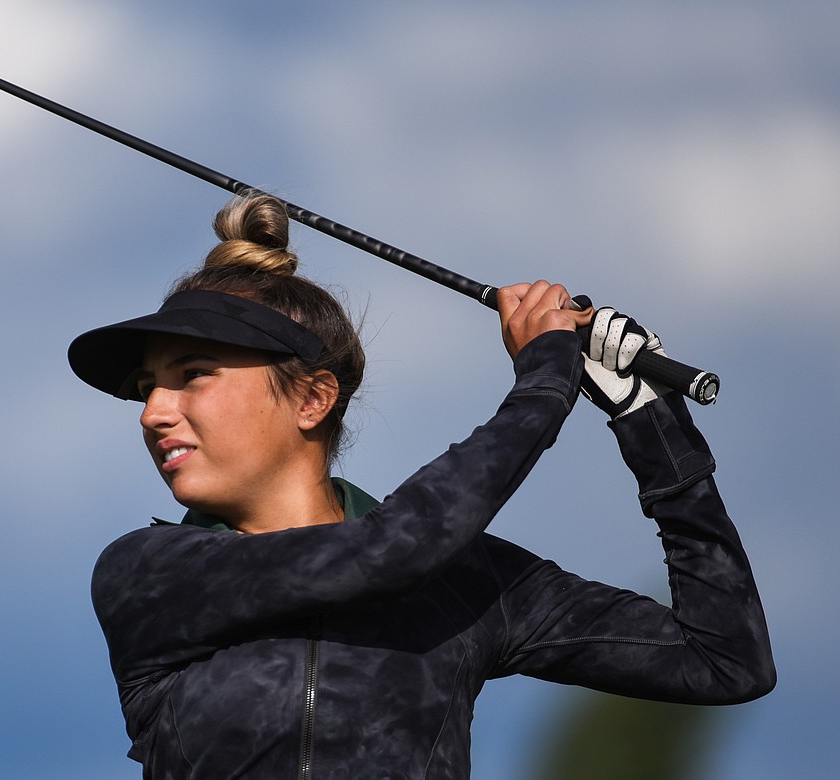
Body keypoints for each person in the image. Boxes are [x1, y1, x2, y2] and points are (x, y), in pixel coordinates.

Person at [67, 193, 775, 779]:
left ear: (313, 399)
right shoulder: (147, 574)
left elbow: (724, 659)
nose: (156, 412)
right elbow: (381, 556)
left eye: (191, 375)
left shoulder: (464, 579)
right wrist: (544, 385)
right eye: (147, 388)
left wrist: (648, 420)